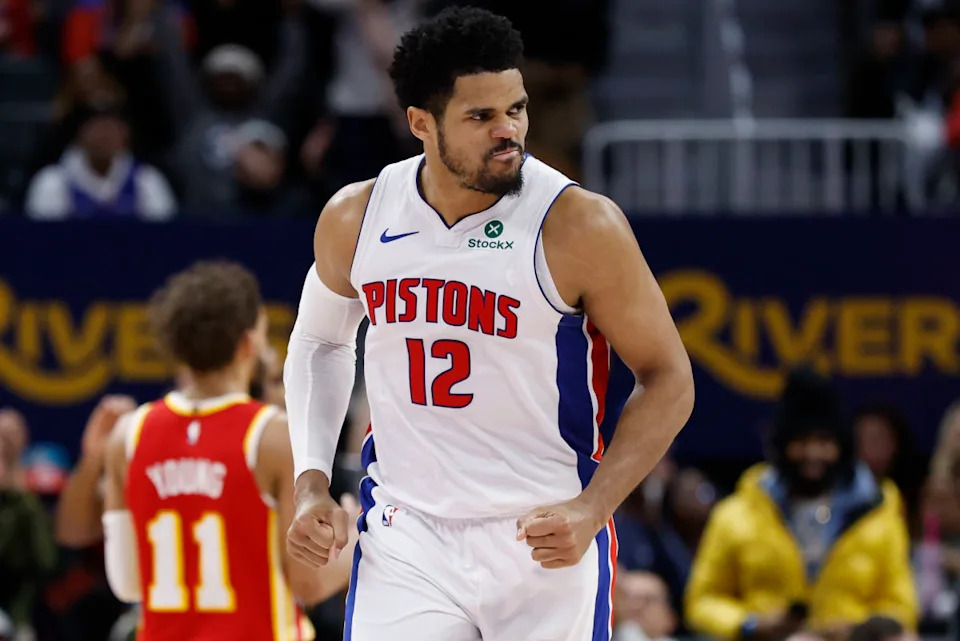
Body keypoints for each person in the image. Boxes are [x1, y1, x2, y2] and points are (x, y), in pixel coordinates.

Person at [283, 7, 694, 640]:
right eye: (481, 117)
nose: (509, 132)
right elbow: (319, 340)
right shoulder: (356, 216)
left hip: (540, 535)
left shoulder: (579, 224)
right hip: (406, 534)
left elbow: (668, 377)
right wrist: (312, 479)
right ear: (421, 123)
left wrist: (593, 507)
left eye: (516, 109)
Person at [101, 261, 357, 640]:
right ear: (248, 344)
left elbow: (126, 583)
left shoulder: (128, 435)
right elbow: (309, 583)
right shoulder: (272, 436)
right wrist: (356, 536)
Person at [685, 368, 916, 641]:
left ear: (841, 447)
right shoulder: (736, 514)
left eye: (824, 441)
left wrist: (858, 629)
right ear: (782, 446)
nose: (812, 453)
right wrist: (750, 624)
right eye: (801, 442)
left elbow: (901, 606)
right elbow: (701, 601)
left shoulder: (878, 513)